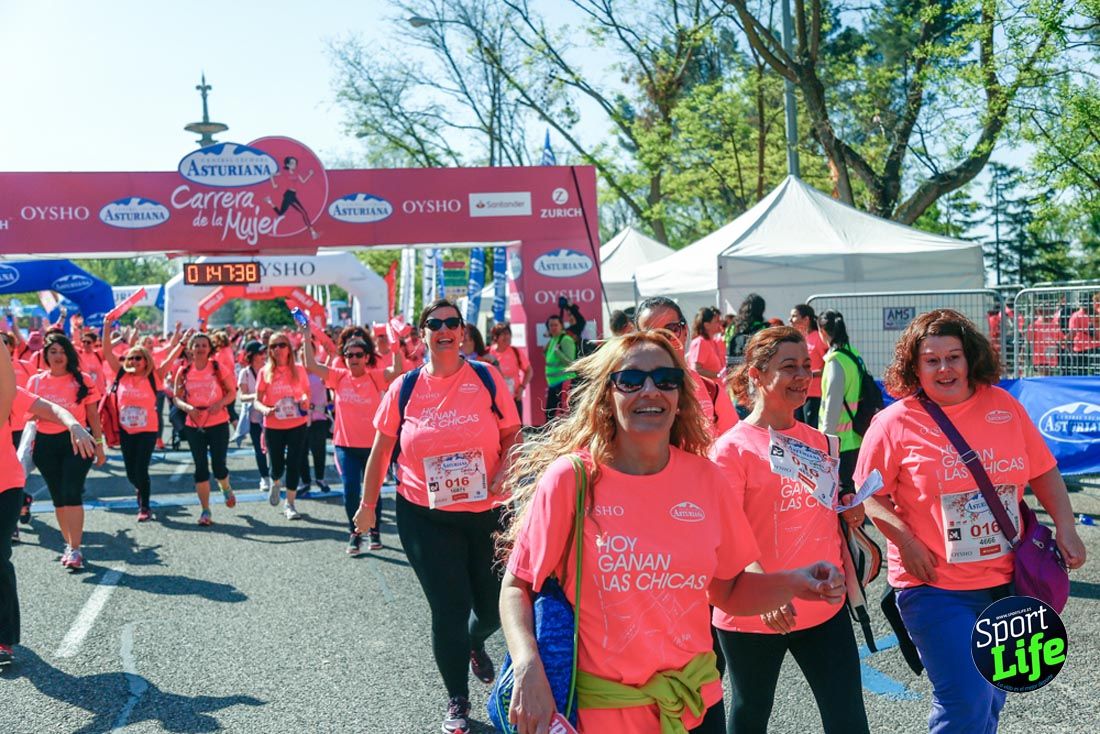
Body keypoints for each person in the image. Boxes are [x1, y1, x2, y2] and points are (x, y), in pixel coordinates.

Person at [498, 330, 846, 734]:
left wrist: (797, 582)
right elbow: (517, 586)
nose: (651, 390)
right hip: (605, 713)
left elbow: (729, 591)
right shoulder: (572, 479)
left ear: (680, 397)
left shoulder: (706, 479)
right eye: (631, 380)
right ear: (607, 394)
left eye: (666, 379)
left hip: (695, 705)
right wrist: (527, 665)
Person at [857, 309, 1087, 734]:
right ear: (914, 367)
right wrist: (905, 540)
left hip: (1008, 584)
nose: (944, 368)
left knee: (990, 699)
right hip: (934, 586)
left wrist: (1067, 527)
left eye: (953, 357)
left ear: (970, 358)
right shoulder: (893, 423)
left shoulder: (1004, 406)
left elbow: (1043, 470)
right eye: (931, 360)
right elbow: (868, 496)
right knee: (965, 699)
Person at [353, 299, 522, 734]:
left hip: (488, 511)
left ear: (462, 332)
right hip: (424, 515)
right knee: (449, 607)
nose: (444, 329)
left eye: (452, 323)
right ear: (422, 334)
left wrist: (506, 468)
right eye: (435, 323)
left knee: (492, 606)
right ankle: (457, 698)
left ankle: (474, 641)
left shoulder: (486, 377)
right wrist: (367, 507)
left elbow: (512, 433)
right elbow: (380, 451)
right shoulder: (404, 387)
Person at [711, 327, 868, 734]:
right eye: (788, 367)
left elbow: (826, 509)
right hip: (754, 610)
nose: (802, 376)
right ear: (757, 375)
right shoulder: (731, 449)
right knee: (750, 715)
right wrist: (763, 591)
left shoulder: (822, 442)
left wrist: (848, 507)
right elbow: (725, 533)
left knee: (849, 720)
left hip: (824, 601)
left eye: (806, 366)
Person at [0, 340, 97, 665]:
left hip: (5, 485)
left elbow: (52, 409)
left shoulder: (7, 395)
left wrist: (74, 424)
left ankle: (3, 639)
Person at [303, 332, 400, 554]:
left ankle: (374, 532)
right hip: (345, 446)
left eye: (358, 354)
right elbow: (310, 364)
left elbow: (396, 370)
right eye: (349, 355)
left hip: (373, 447)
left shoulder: (375, 377)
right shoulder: (338, 377)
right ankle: (355, 534)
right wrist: (306, 335)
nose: (353, 358)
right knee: (350, 491)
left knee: (373, 492)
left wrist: (395, 346)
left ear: (366, 357)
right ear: (344, 358)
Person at [26, 333, 106, 570]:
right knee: (58, 498)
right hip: (45, 445)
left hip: (77, 443)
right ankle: (69, 544)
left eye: (62, 351)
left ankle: (76, 548)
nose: (58, 356)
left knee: (72, 492)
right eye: (53, 352)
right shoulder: (36, 382)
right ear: (45, 355)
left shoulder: (82, 380)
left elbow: (93, 415)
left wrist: (99, 445)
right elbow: (27, 415)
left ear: (69, 354)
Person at [101, 324, 182, 522]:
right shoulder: (121, 374)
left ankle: (145, 507)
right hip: (126, 430)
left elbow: (170, 358)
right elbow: (107, 352)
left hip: (147, 431)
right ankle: (140, 489)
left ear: (146, 361)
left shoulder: (154, 376)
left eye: (138, 358)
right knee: (131, 472)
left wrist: (181, 342)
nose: (134, 361)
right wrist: (106, 326)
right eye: (131, 358)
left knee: (141, 469)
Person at [635, 297, 738, 438]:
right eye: (651, 335)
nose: (663, 340)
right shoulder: (629, 392)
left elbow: (734, 443)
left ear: (684, 330)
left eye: (671, 329)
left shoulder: (711, 391)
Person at [172, 333, 237, 526]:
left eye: (204, 345)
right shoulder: (184, 371)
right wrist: (188, 408)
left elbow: (232, 392)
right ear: (191, 349)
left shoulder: (218, 368)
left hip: (218, 423)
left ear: (209, 349)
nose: (200, 348)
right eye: (197, 345)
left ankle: (225, 487)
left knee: (219, 467)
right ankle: (205, 510)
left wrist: (220, 404)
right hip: (195, 425)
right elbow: (176, 397)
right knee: (200, 468)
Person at [253, 332, 311, 520]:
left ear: (289, 348)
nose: (278, 349)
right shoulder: (265, 371)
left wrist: (304, 401)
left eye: (281, 345)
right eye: (273, 346)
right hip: (274, 425)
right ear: (269, 350)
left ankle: (290, 504)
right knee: (277, 465)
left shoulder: (299, 369)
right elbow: (256, 401)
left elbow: (306, 393)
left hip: (297, 423)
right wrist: (265, 409)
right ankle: (276, 481)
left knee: (294, 463)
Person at [817, 309, 863, 496]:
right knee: (852, 493)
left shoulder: (835, 361)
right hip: (855, 435)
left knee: (842, 496)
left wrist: (825, 440)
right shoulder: (853, 354)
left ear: (823, 332)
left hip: (838, 442)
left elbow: (832, 403)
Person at [235, 341, 272, 494]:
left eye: (264, 352)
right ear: (252, 356)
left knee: (274, 448)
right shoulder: (245, 373)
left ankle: (274, 475)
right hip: (255, 418)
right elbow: (242, 397)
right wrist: (258, 395)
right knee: (259, 449)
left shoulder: (270, 369)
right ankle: (264, 477)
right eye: (260, 353)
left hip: (271, 415)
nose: (263, 355)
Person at [265, 155, 319, 240]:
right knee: (303, 212)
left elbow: (303, 181)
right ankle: (313, 232)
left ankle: (269, 202)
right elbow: (272, 175)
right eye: (292, 163)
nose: (295, 165)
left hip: (292, 195)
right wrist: (274, 185)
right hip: (289, 195)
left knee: (280, 213)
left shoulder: (296, 173)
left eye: (295, 163)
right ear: (288, 165)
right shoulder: (284, 172)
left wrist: (310, 174)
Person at [789, 304, 826, 427]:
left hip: (815, 394)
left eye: (794, 316)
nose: (790, 320)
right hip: (799, 392)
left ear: (806, 319)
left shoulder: (819, 338)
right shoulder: (801, 338)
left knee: (811, 429)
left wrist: (809, 374)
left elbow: (828, 366)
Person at [298, 361, 331, 495]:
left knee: (319, 450)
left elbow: (331, 383)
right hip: (300, 418)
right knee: (301, 451)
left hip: (319, 417)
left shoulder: (320, 370)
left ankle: (320, 478)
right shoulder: (296, 371)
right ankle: (305, 481)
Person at [489, 322, 530, 418]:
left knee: (517, 426)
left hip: (515, 398)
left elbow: (529, 371)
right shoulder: (489, 352)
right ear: (495, 337)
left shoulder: (515, 351)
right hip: (496, 400)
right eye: (503, 334)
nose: (507, 337)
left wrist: (522, 387)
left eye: (508, 334)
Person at [543, 314, 576, 421]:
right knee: (550, 415)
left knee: (560, 416)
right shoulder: (553, 339)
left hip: (564, 383)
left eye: (556, 325)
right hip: (554, 384)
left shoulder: (565, 339)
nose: (553, 327)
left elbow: (571, 363)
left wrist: (558, 352)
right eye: (551, 325)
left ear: (561, 326)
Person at [688, 306, 725, 380]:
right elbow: (696, 370)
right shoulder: (700, 342)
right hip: (707, 387)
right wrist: (718, 375)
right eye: (716, 322)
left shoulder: (712, 342)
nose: (720, 324)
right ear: (707, 325)